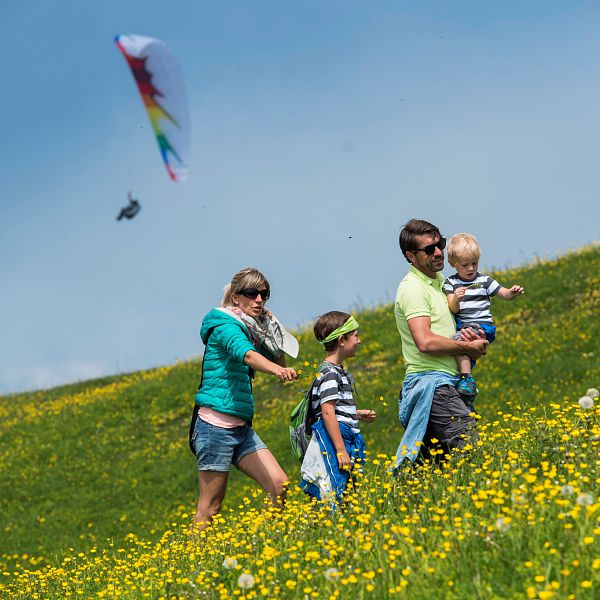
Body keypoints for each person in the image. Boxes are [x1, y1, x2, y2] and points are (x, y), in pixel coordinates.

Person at [190, 268, 298, 530]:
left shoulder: (252, 328)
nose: (259, 299)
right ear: (236, 297)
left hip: (241, 428)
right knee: (211, 507)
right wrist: (277, 371)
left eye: (264, 294)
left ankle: (262, 543)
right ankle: (193, 563)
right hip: (214, 427)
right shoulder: (225, 326)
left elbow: (278, 358)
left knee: (279, 485)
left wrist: (272, 330)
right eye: (252, 293)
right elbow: (247, 356)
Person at [394, 219, 489, 467]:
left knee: (434, 468)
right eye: (429, 249)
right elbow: (424, 342)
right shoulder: (413, 289)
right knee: (472, 451)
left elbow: (447, 334)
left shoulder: (441, 283)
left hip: (446, 382)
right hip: (433, 386)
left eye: (440, 244)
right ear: (410, 256)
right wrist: (466, 348)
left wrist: (471, 341)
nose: (438, 252)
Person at [299, 311, 376, 502]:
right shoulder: (330, 373)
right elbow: (327, 411)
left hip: (343, 433)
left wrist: (355, 414)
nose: (359, 340)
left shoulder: (335, 371)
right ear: (342, 340)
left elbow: (332, 408)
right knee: (335, 490)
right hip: (336, 437)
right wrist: (340, 450)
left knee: (348, 490)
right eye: (355, 335)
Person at [444, 233, 525, 400]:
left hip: (482, 325)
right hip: (465, 325)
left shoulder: (485, 281)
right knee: (462, 354)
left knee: (457, 343)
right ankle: (467, 391)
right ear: (453, 264)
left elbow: (504, 294)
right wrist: (457, 298)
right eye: (465, 265)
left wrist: (512, 292)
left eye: (474, 263)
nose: (471, 268)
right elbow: (452, 308)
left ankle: (467, 381)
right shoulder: (450, 283)